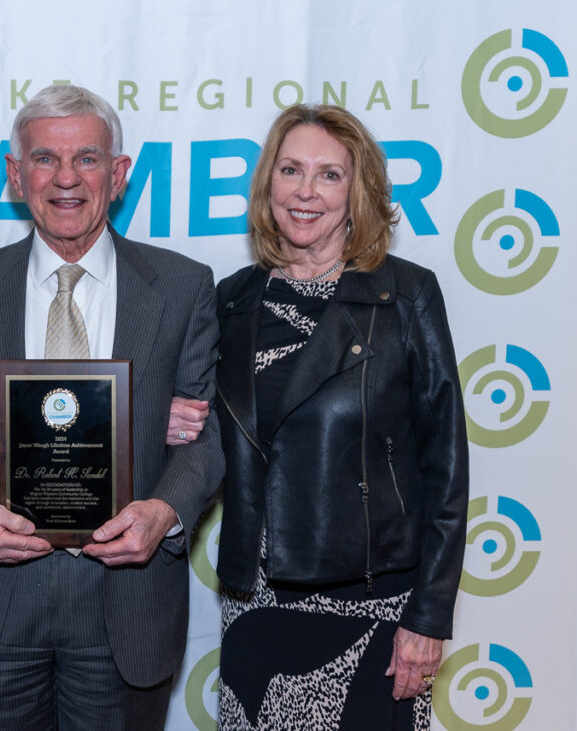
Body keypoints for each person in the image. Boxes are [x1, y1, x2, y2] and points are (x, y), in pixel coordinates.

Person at [0, 84, 225, 730]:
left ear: (119, 173)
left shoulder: (183, 286)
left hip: (125, 603)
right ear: (14, 174)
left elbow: (207, 433)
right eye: (45, 159)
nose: (66, 179)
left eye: (86, 158)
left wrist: (163, 511)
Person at [208, 104, 468, 730]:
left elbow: (446, 465)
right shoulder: (232, 300)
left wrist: (428, 617)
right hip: (256, 601)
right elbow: (212, 443)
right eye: (291, 169)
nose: (305, 191)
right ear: (269, 183)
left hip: (374, 603)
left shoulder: (405, 294)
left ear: (358, 191)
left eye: (329, 175)